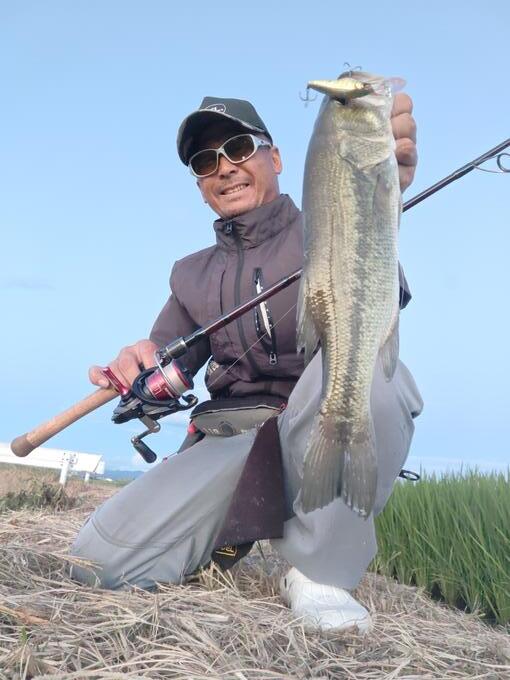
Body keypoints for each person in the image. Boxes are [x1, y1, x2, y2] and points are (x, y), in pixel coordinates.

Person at [70, 92, 423, 634]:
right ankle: (223, 536)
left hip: (315, 419)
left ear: (275, 158)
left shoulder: (327, 222)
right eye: (204, 161)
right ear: (200, 185)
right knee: (98, 562)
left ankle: (320, 572)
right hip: (233, 439)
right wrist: (136, 367)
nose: (224, 168)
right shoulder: (189, 274)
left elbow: (378, 287)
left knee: (369, 370)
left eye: (237, 148)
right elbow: (165, 356)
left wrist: (377, 199)